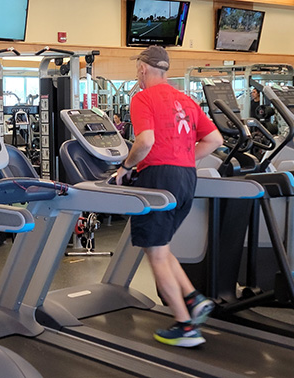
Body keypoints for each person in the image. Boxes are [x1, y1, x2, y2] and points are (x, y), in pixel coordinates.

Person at [113, 46, 224, 347]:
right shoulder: (185, 99)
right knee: (160, 249)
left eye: (138, 69)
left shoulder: (142, 97)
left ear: (143, 69)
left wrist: (125, 167)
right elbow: (215, 140)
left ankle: (185, 325)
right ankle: (193, 298)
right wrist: (183, 158)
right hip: (187, 178)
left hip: (158, 179)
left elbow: (145, 141)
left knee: (157, 254)